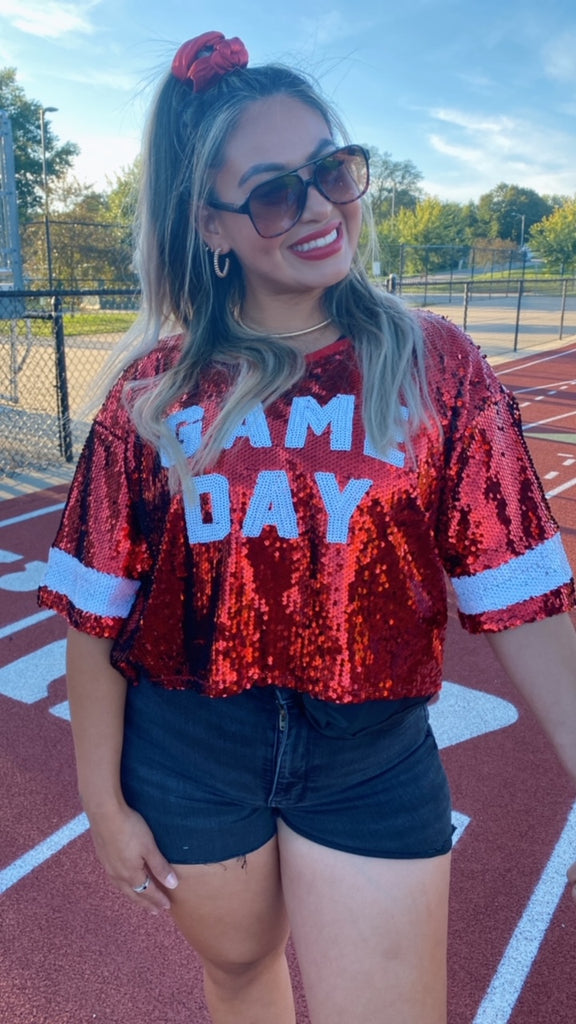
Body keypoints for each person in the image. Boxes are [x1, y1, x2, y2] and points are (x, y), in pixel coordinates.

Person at [38, 31, 576, 1024]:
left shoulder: (438, 367)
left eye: (334, 171)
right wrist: (104, 804)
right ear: (212, 225)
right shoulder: (152, 397)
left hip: (368, 751)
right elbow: (93, 611)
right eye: (278, 191)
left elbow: (522, 592)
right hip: (190, 748)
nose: (323, 207)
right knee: (241, 975)